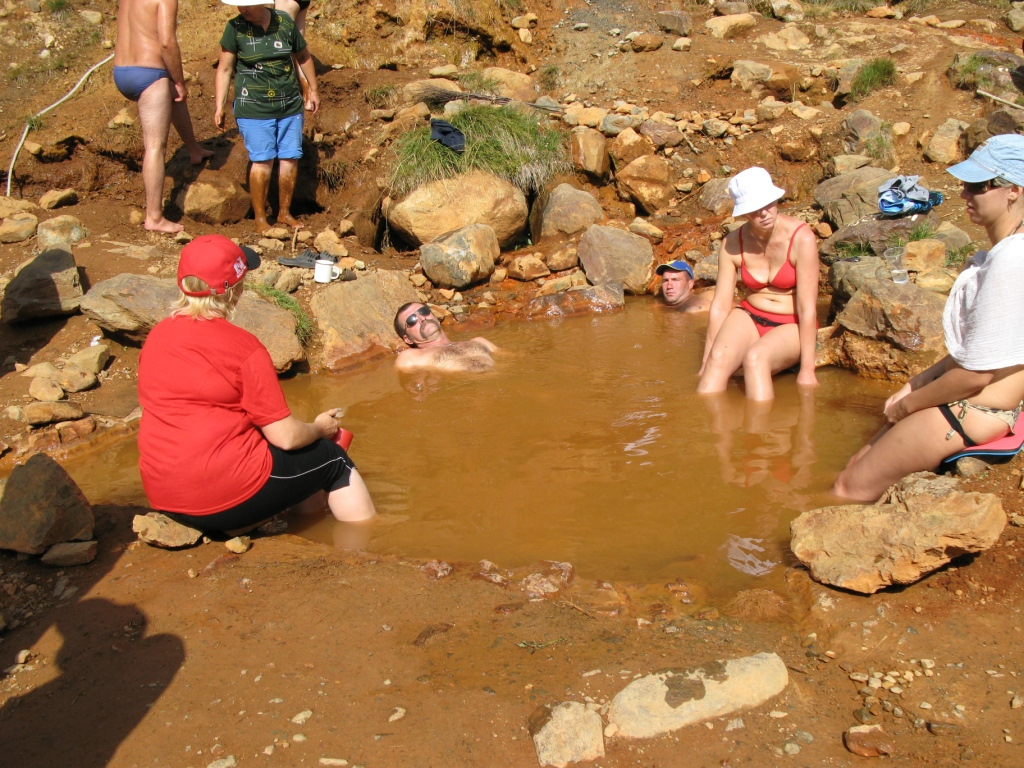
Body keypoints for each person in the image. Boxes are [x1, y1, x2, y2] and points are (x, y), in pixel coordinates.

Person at [137, 234, 376, 532]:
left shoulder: (157, 336)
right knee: (331, 459)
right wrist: (319, 429)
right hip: (221, 500)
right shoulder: (243, 348)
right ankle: (366, 547)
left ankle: (305, 525)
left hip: (165, 496)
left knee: (300, 458)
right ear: (234, 290)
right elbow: (285, 437)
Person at [833, 134, 1024, 502]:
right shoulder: (1006, 253)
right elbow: (975, 351)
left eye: (976, 186)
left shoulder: (1010, 262)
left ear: (1013, 190)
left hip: (975, 409)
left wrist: (907, 406)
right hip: (973, 400)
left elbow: (974, 375)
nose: (964, 195)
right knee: (857, 460)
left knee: (847, 488)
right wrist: (918, 382)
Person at [697, 167, 819, 401]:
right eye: (754, 209)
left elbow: (807, 308)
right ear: (744, 214)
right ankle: (709, 433)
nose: (764, 213)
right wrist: (705, 360)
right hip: (749, 315)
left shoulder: (801, 238)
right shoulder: (732, 243)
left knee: (756, 359)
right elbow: (721, 306)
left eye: (768, 204)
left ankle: (759, 434)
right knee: (718, 360)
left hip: (791, 322)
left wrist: (807, 370)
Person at [214, 0, 320, 232]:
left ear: (261, 3)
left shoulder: (284, 23)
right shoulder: (235, 27)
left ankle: (284, 213)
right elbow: (224, 69)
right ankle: (261, 219)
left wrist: (313, 89)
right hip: (253, 107)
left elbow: (303, 56)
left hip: (289, 105)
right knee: (262, 160)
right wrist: (219, 105)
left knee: (290, 157)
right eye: (239, 5)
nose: (242, 9)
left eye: (247, 5)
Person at [113, 0, 214, 234]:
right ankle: (154, 217)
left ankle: (194, 149)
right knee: (155, 146)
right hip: (149, 73)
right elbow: (167, 43)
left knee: (172, 96)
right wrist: (179, 81)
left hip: (123, 70)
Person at [393, 302, 497, 372]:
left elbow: (511, 361)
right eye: (412, 320)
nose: (422, 318)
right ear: (408, 339)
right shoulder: (410, 357)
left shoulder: (480, 341)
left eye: (423, 311)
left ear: (435, 317)